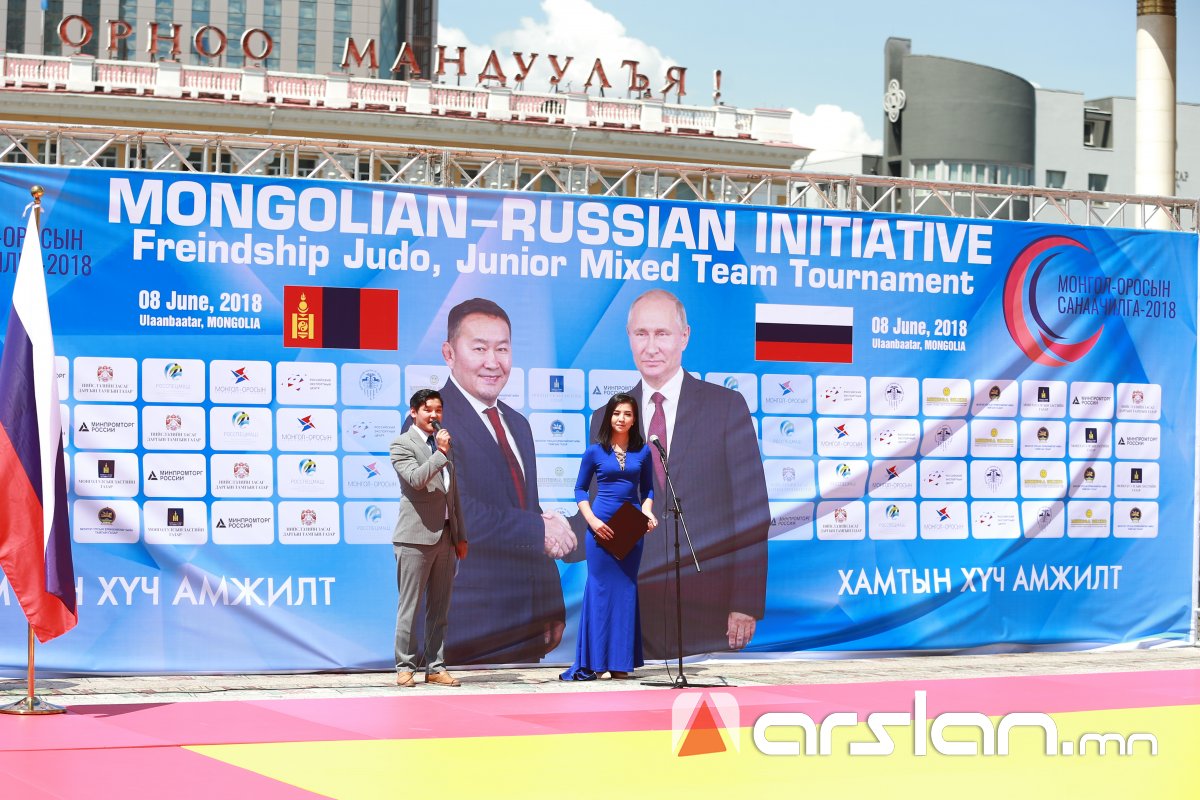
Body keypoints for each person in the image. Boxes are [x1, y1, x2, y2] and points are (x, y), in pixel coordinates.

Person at [586, 289, 770, 659]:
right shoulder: (606, 418)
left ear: (684, 337)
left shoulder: (725, 407)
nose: (651, 347)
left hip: (710, 606)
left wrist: (744, 602)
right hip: (632, 606)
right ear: (629, 337)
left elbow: (751, 511)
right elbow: (605, 514)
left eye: (662, 334)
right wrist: (554, 534)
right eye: (641, 334)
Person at [437, 297, 577, 664]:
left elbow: (529, 511)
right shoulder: (431, 422)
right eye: (479, 348)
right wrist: (540, 529)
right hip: (464, 627)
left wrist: (550, 603)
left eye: (502, 349)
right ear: (449, 353)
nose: (492, 361)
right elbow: (457, 513)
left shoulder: (517, 424)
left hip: (524, 624)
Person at [561, 394, 657, 681]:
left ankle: (620, 662)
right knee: (600, 590)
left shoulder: (644, 452)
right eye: (616, 413)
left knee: (625, 591)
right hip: (600, 527)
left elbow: (648, 490)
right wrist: (592, 520)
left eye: (627, 414)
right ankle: (597, 661)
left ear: (634, 419)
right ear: (609, 417)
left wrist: (647, 512)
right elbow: (580, 489)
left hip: (631, 528)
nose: (621, 418)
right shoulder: (595, 452)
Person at [389, 389, 468, 687]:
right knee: (410, 606)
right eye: (427, 409)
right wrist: (441, 454)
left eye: (438, 410)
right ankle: (404, 666)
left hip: (445, 538)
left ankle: (435, 666)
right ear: (414, 412)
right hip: (414, 538)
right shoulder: (402, 444)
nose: (434, 415)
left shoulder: (442, 446)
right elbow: (416, 480)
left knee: (439, 608)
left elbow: (453, 494)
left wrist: (461, 536)